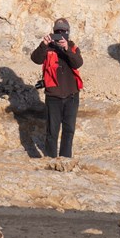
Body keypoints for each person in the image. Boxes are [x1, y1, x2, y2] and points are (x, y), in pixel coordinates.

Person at [30, 18, 83, 159]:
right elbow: (35, 59)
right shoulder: (47, 47)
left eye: (63, 32)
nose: (60, 34)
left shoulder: (72, 47)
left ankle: (65, 159)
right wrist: (44, 44)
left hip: (71, 95)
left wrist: (66, 49)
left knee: (69, 130)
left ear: (68, 33)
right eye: (57, 32)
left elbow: (77, 63)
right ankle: (51, 158)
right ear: (53, 32)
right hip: (53, 96)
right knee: (52, 131)